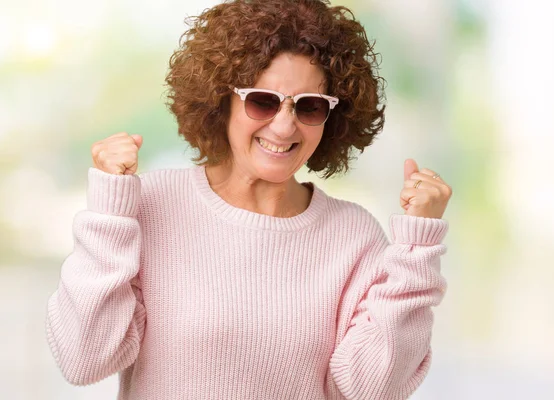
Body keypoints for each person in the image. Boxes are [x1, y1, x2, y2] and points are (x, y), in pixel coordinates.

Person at [45, 0, 452, 399]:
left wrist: (418, 247)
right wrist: (110, 212)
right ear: (221, 100)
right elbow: (85, 359)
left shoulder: (354, 237)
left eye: (310, 107)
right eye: (263, 100)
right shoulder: (151, 206)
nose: (284, 125)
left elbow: (374, 388)